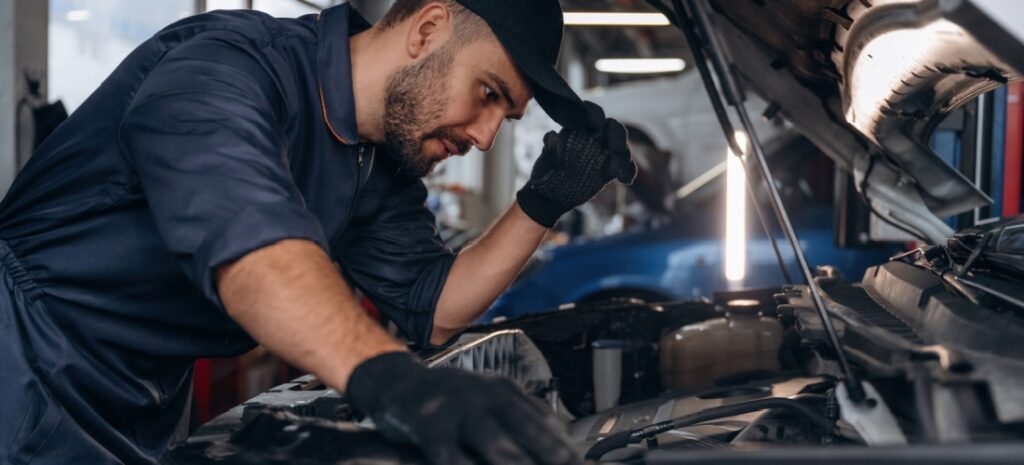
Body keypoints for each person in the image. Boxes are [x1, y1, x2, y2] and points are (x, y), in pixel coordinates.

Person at [0, 0, 635, 464]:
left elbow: (435, 307)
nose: (486, 135)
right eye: (488, 92)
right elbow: (249, 247)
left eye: (508, 115)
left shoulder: (372, 161)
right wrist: (396, 383)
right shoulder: (227, 66)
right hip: (29, 367)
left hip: (144, 401)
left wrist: (541, 203)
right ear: (428, 28)